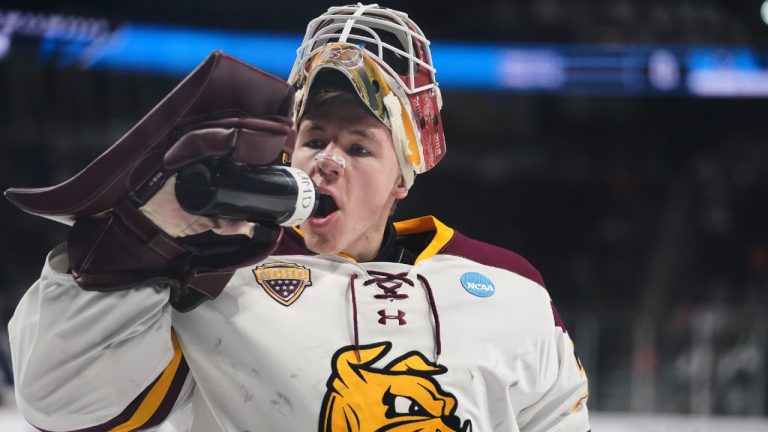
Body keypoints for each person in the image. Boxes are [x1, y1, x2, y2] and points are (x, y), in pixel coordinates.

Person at [7, 4, 589, 431]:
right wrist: (141, 243)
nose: (329, 161)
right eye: (314, 139)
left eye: (360, 148)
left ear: (403, 178)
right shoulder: (210, 272)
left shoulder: (510, 288)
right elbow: (62, 402)